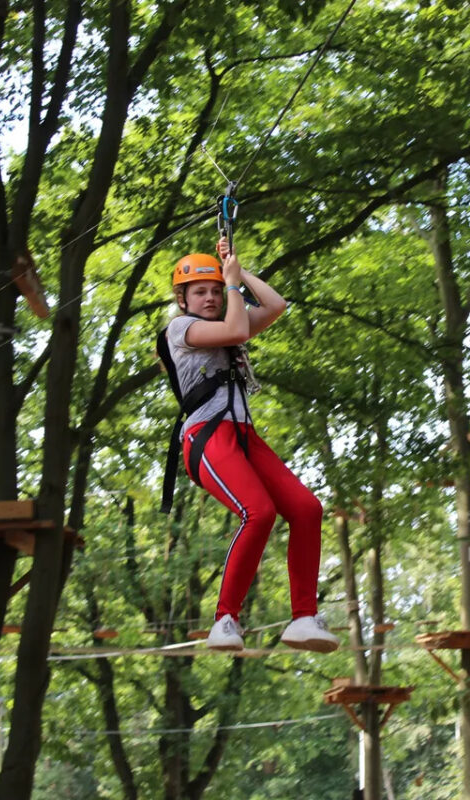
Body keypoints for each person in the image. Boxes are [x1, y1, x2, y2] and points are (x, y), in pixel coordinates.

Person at [160, 238, 339, 654]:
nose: (210, 297)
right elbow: (237, 328)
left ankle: (302, 618)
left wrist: (235, 271)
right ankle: (225, 619)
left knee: (307, 509)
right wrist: (232, 284)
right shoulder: (181, 329)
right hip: (207, 436)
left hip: (243, 437)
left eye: (215, 291)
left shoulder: (227, 321)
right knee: (258, 512)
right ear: (183, 298)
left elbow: (276, 306)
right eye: (200, 291)